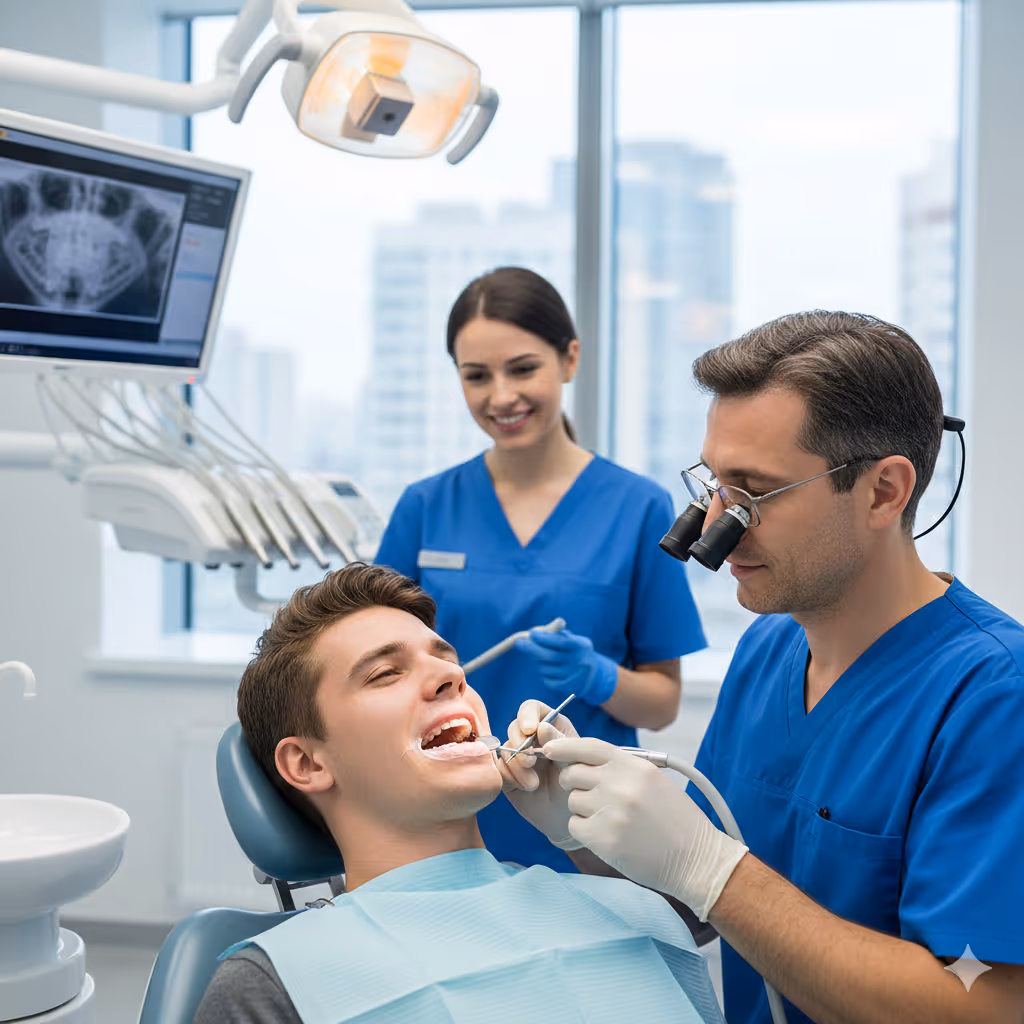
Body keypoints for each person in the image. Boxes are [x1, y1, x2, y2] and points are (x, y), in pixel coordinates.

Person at [504, 312, 1024, 1023]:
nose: (718, 522)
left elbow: (983, 1008)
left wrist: (715, 871)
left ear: (883, 491)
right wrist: (578, 826)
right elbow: (695, 911)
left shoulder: (993, 697)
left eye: (753, 492)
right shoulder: (768, 648)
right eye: (713, 484)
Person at [192, 564, 724, 1024]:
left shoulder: (632, 908)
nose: (450, 675)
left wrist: (584, 837)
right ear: (308, 763)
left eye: (445, 659)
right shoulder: (275, 981)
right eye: (383, 674)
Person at [374, 266, 706, 872]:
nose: (501, 396)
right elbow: (371, 675)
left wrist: (599, 676)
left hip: (585, 827)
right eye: (477, 376)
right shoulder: (425, 508)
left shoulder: (636, 507)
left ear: (569, 359)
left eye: (522, 368)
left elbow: (659, 704)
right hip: (447, 824)